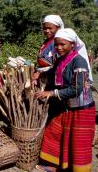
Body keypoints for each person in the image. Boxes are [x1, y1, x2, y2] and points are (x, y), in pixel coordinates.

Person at [35, 28, 95, 172]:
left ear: (73, 45)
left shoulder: (79, 62)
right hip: (67, 106)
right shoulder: (62, 59)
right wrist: (39, 73)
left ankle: (77, 169)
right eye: (56, 45)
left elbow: (76, 89)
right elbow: (54, 71)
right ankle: (54, 165)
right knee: (54, 133)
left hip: (82, 110)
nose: (59, 48)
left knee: (78, 142)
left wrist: (51, 93)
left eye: (63, 44)